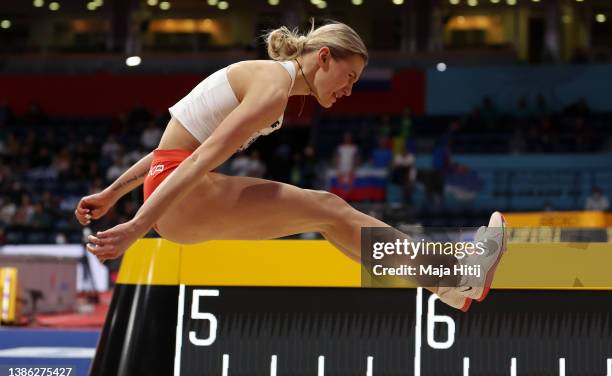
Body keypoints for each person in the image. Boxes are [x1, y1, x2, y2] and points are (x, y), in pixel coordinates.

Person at [74, 21, 507, 311]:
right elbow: (199, 158)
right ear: (323, 58)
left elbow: (173, 148)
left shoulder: (271, 84)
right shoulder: (271, 90)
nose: (349, 91)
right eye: (349, 77)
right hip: (180, 197)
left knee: (330, 216)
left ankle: (447, 285)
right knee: (329, 208)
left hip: (174, 194)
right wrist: (135, 225)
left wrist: (114, 192)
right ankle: (456, 275)